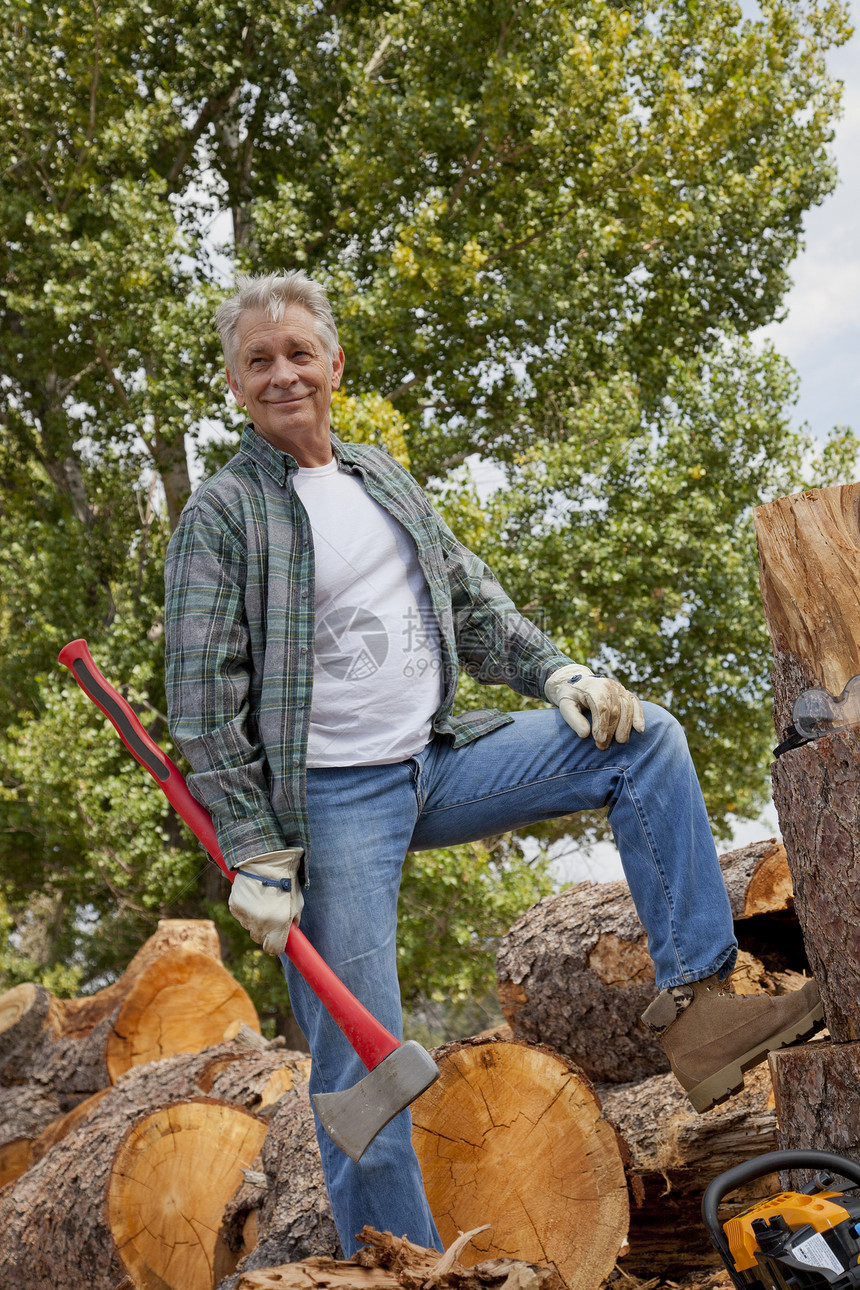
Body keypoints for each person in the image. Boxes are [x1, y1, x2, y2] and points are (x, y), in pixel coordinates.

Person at [164, 270, 822, 1255]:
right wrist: (255, 849)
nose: (281, 374)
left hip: (433, 759)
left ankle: (702, 1007)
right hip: (331, 803)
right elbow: (202, 701)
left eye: (299, 352)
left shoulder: (378, 475)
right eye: (258, 361)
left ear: (333, 364)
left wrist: (558, 673)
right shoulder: (225, 516)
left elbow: (471, 603)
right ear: (233, 382)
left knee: (641, 741)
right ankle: (407, 1265)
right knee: (362, 1059)